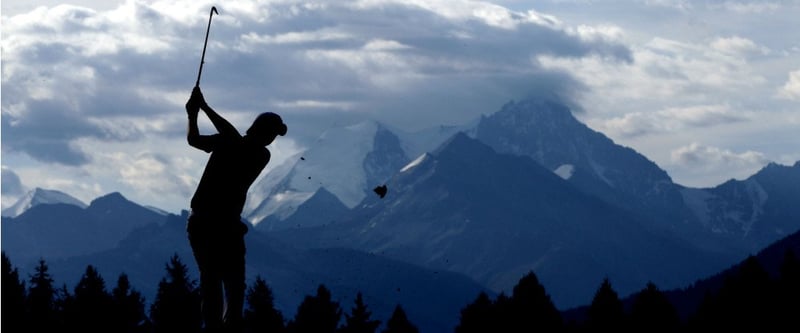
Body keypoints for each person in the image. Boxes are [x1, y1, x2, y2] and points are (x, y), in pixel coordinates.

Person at [184, 86, 287, 333]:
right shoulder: (239, 145)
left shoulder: (259, 154)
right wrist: (194, 113)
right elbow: (195, 140)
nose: (272, 139)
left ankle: (224, 328)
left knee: (222, 281)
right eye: (272, 133)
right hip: (217, 225)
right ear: (261, 131)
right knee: (222, 281)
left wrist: (199, 109)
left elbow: (222, 138)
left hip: (212, 224)